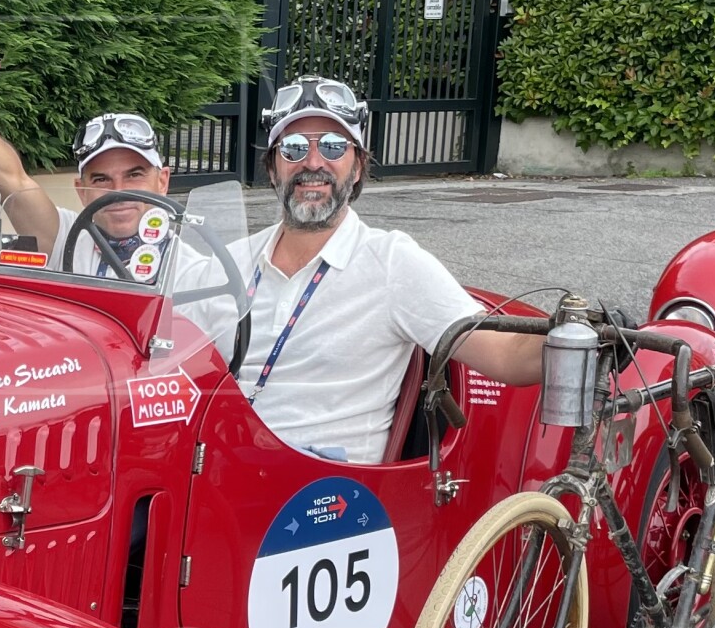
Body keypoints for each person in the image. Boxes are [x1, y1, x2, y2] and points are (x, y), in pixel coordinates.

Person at [196, 76, 545, 463]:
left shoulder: (392, 263)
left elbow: (506, 355)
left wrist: (579, 339)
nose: (313, 162)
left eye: (333, 146)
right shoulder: (230, 262)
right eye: (294, 148)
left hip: (325, 489)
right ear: (274, 168)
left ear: (358, 166)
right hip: (219, 465)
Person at [0, 2, 170, 272]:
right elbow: (10, 179)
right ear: (81, 190)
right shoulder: (67, 240)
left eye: (134, 175)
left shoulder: (195, 270)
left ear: (163, 181)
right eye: (101, 179)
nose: (118, 191)